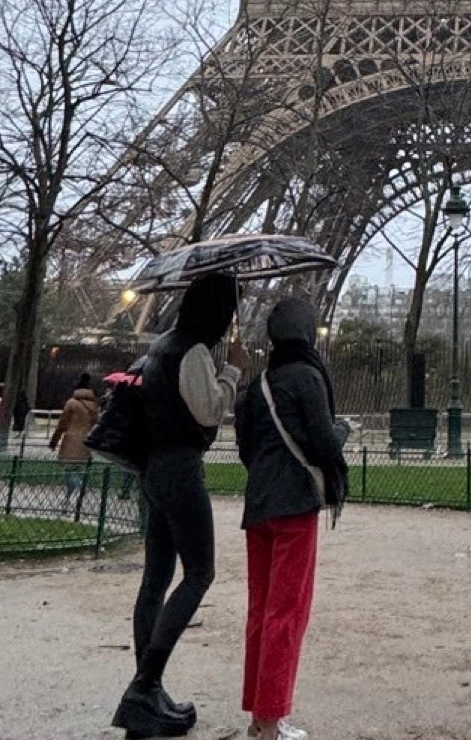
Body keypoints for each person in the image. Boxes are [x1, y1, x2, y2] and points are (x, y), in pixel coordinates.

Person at [112, 272, 243, 740]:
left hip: (153, 468)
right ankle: (144, 686)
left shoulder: (162, 345)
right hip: (180, 467)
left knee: (155, 578)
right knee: (200, 573)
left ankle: (147, 691)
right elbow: (209, 411)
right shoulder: (192, 351)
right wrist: (233, 371)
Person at [235, 297, 349, 740]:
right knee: (288, 612)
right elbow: (325, 445)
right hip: (295, 505)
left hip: (259, 505)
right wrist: (343, 430)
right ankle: (271, 720)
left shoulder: (257, 385)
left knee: (261, 611)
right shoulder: (307, 377)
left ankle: (257, 715)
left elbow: (247, 451)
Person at [49, 373, 101, 504]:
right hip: (86, 442)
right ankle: (68, 498)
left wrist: (54, 442)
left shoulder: (71, 403)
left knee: (69, 470)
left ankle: (80, 487)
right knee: (77, 470)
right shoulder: (94, 406)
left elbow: (62, 424)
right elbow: (96, 424)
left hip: (71, 440)